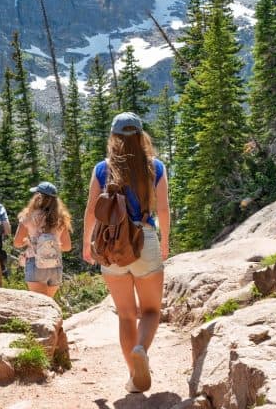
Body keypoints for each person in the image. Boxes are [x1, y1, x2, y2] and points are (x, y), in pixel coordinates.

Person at [83, 112, 171, 395]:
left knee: (125, 314)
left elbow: (90, 210)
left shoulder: (102, 168)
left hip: (111, 245)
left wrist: (87, 244)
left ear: (114, 137)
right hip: (144, 239)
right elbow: (163, 210)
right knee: (151, 310)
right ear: (141, 136)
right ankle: (141, 350)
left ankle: (134, 377)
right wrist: (165, 241)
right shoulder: (155, 167)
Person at [13, 181, 73, 298]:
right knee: (49, 304)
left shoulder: (28, 217)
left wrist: (28, 242)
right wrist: (51, 245)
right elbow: (67, 246)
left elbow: (17, 243)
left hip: (35, 265)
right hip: (55, 266)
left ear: (37, 197)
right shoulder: (61, 219)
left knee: (40, 307)